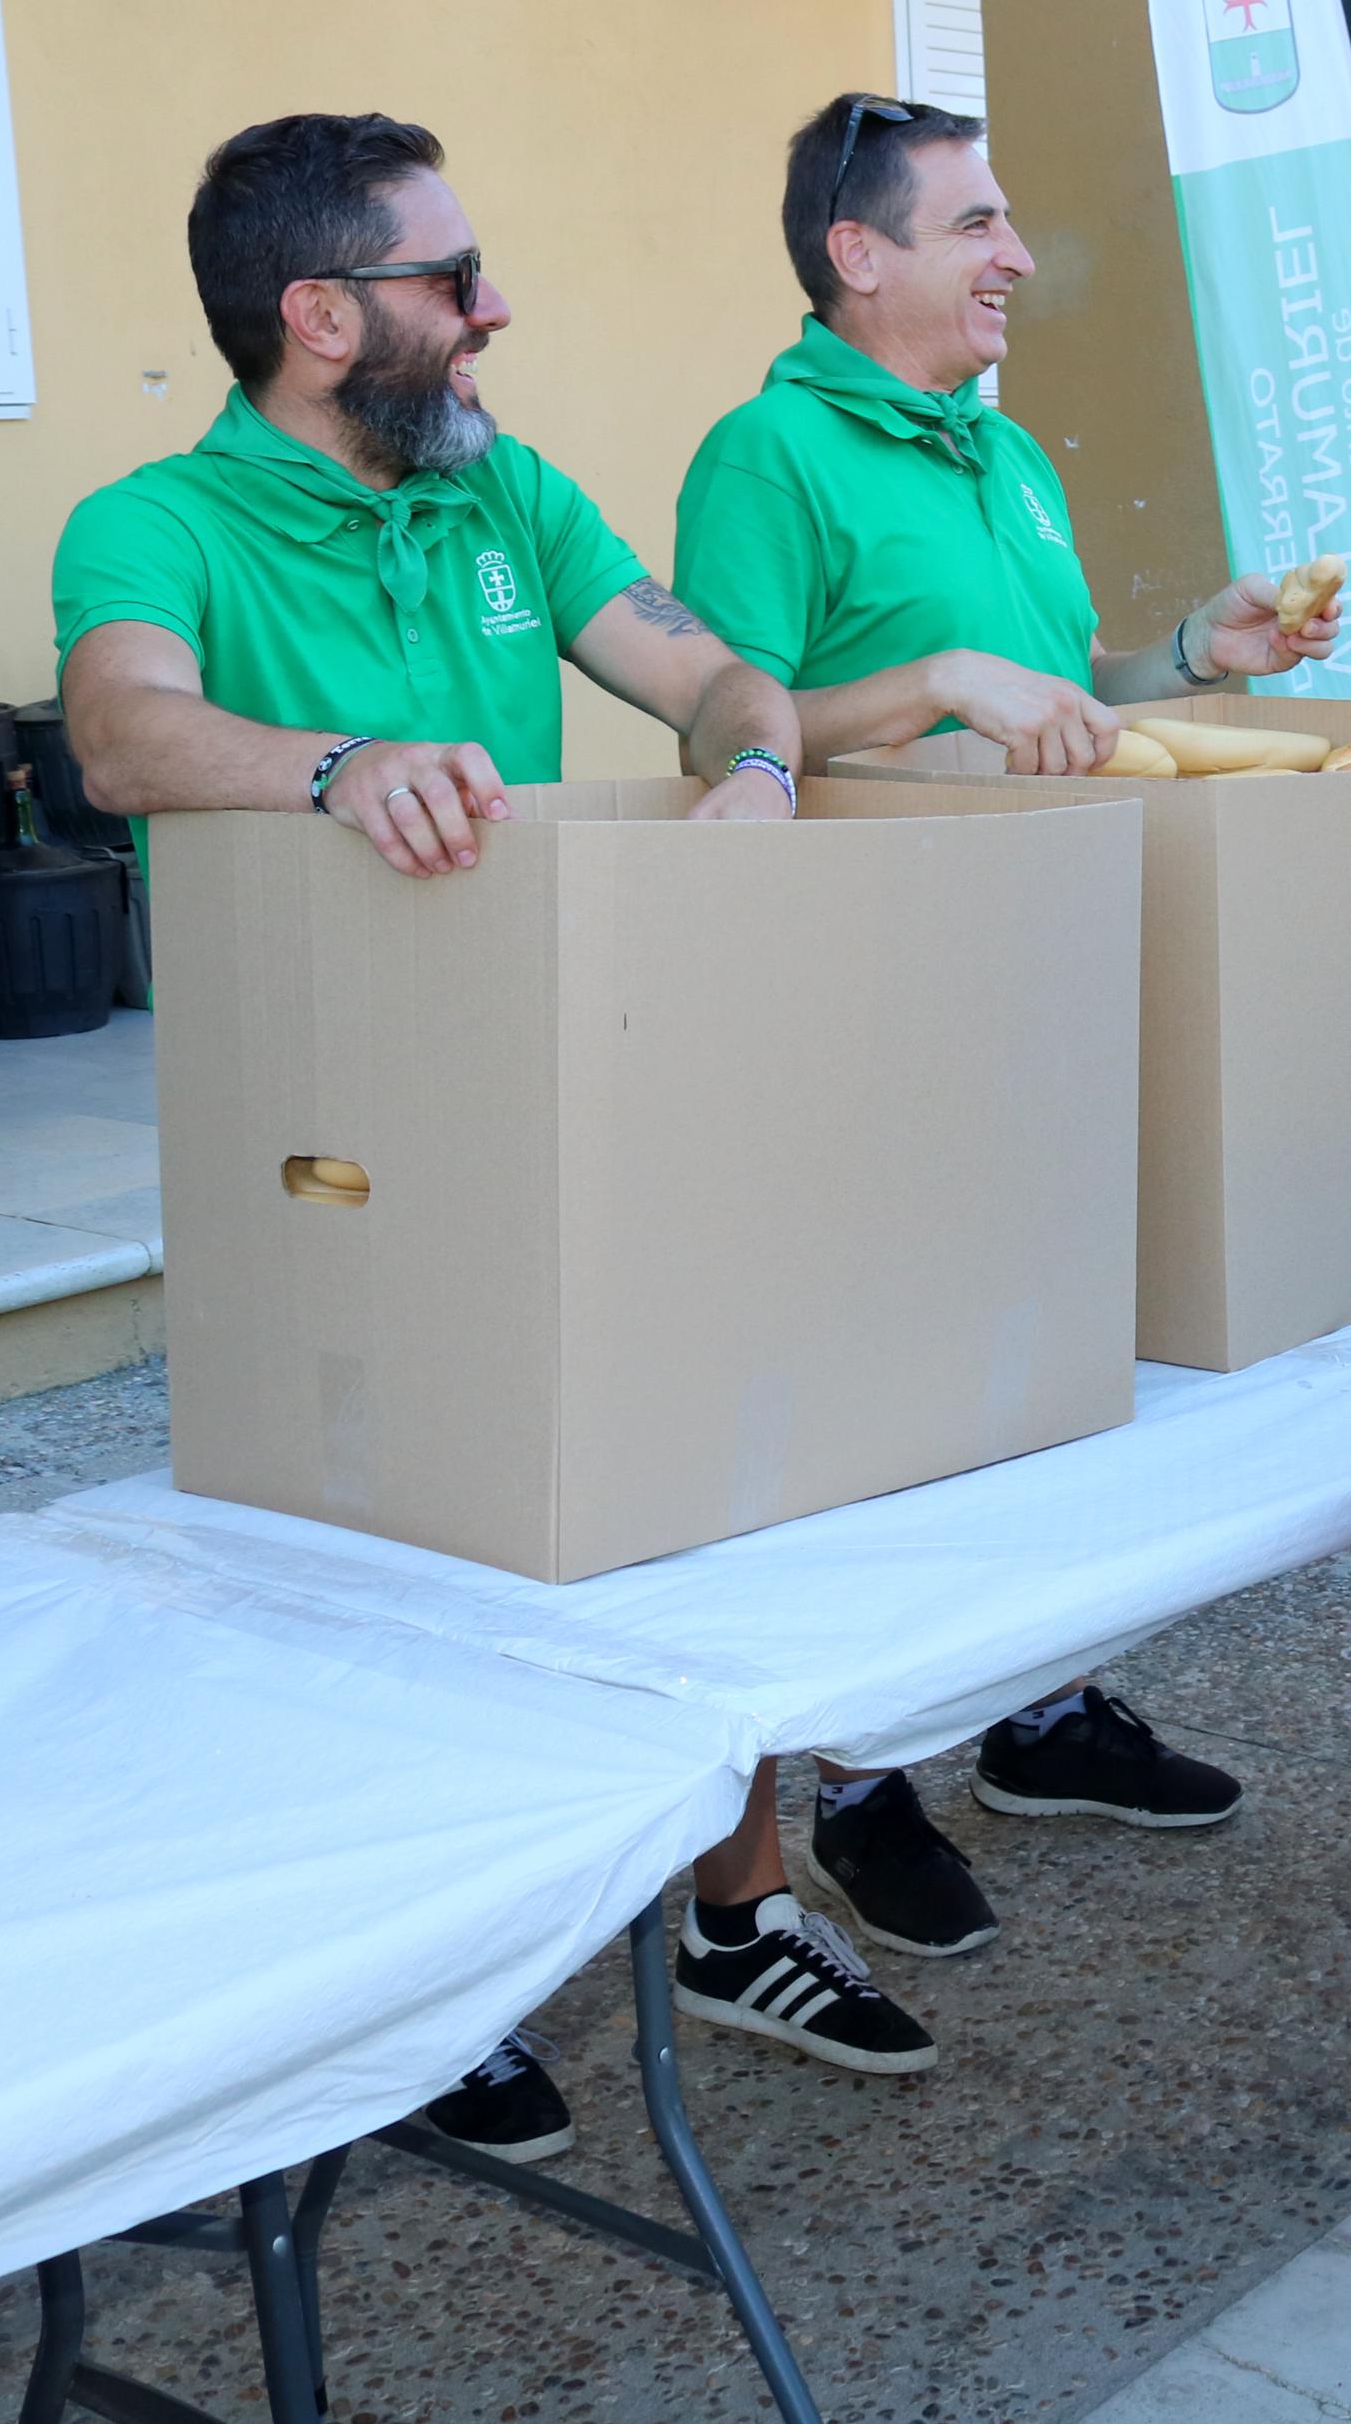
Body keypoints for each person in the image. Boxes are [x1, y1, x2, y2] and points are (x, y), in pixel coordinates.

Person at [56, 110, 938, 2154]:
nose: (495, 310)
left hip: (564, 1086)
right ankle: (420, 1980)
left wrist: (754, 770)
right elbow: (119, 730)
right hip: (325, 1138)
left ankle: (735, 1912)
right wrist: (335, 762)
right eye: (453, 281)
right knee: (365, 1557)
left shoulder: (509, 497)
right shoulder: (153, 524)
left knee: (664, 1503)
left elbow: (716, 675)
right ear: (318, 314)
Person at [667, 92, 1338, 2038]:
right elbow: (737, 734)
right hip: (865, 1010)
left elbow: (1044, 696)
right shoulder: (764, 454)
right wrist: (936, 688)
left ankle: (1023, 1711)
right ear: (853, 254)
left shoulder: (1002, 449)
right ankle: (864, 1778)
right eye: (973, 220)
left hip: (1042, 979)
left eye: (1008, 216)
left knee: (1019, 1379)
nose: (1014, 256)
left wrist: (1177, 659)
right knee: (866, 1409)